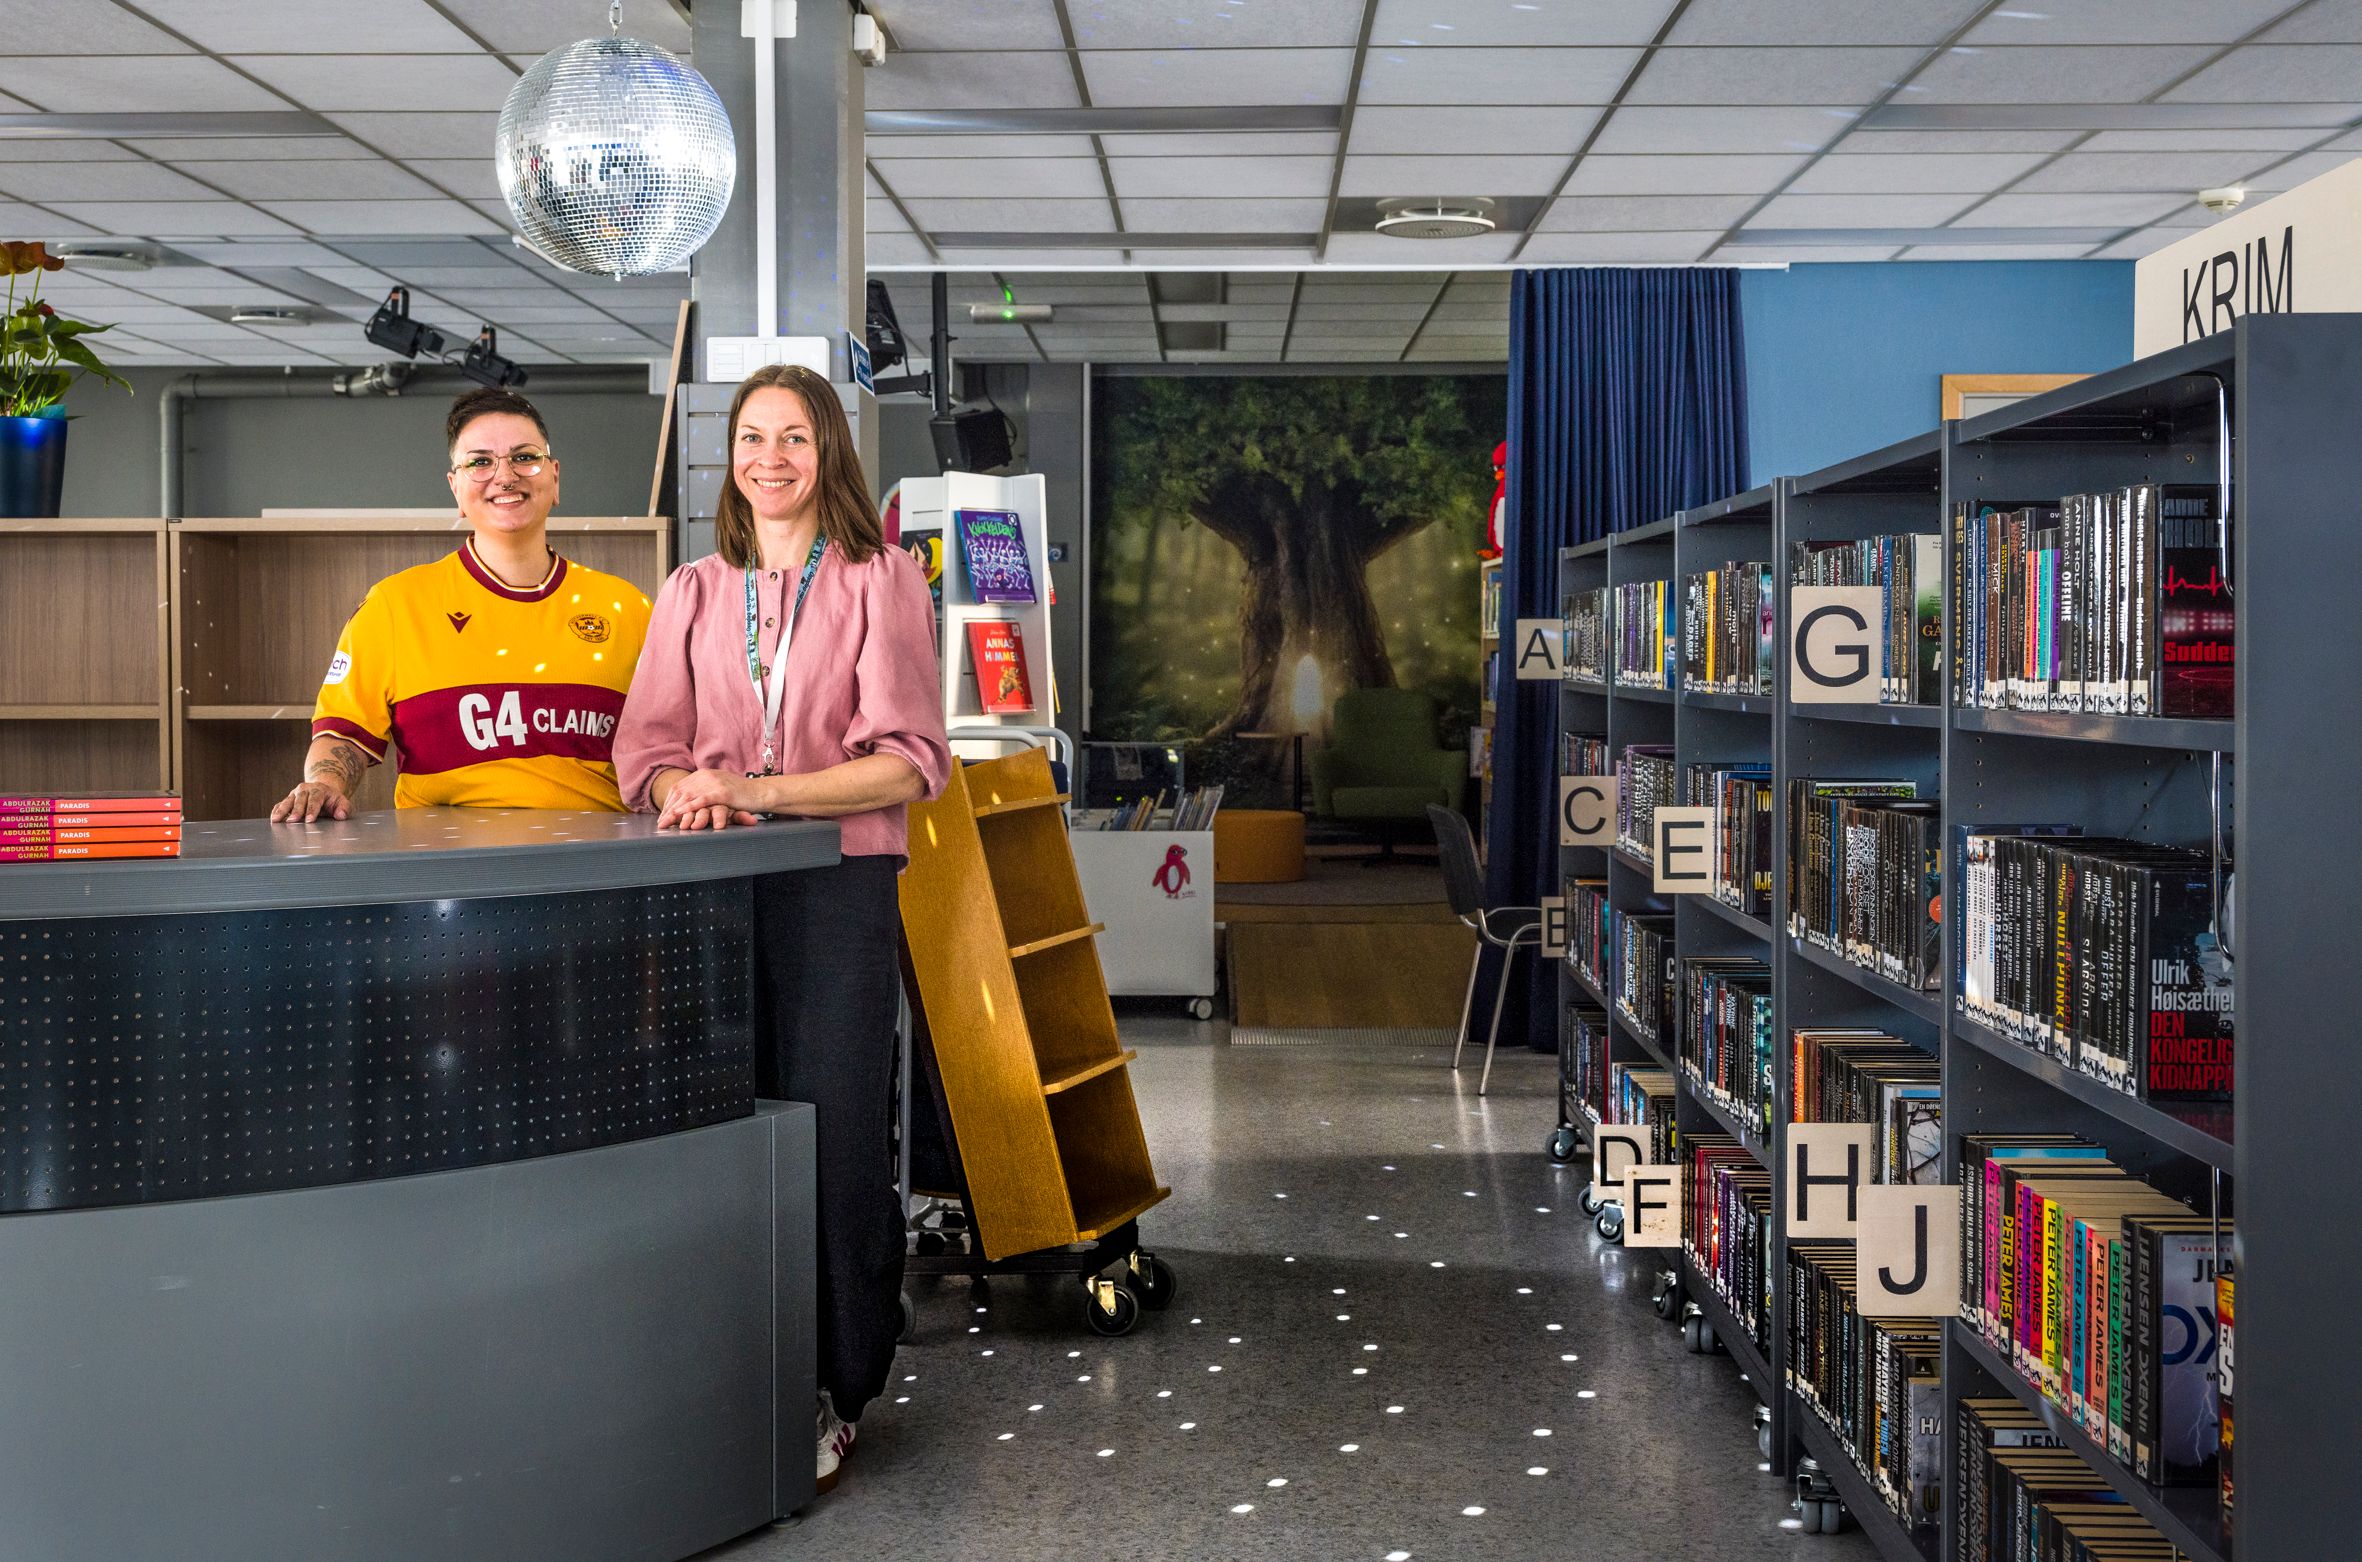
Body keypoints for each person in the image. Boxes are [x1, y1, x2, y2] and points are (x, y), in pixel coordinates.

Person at [613, 363, 949, 1496]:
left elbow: (910, 759)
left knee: (835, 1134)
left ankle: (837, 1383)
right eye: (753, 437)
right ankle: (727, 1366)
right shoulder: (693, 589)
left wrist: (755, 789)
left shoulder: (880, 577)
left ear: (829, 452)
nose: (771, 458)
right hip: (710, 893)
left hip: (835, 891)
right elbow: (645, 753)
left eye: (794, 437)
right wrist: (687, 793)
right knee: (722, 1130)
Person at [270, 387, 652, 822]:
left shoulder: (628, 607)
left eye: (524, 457)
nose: (505, 476)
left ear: (555, 477)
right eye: (480, 462)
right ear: (455, 488)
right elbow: (344, 735)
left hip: (602, 868)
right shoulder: (396, 605)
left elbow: (668, 746)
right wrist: (324, 785)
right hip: (448, 873)